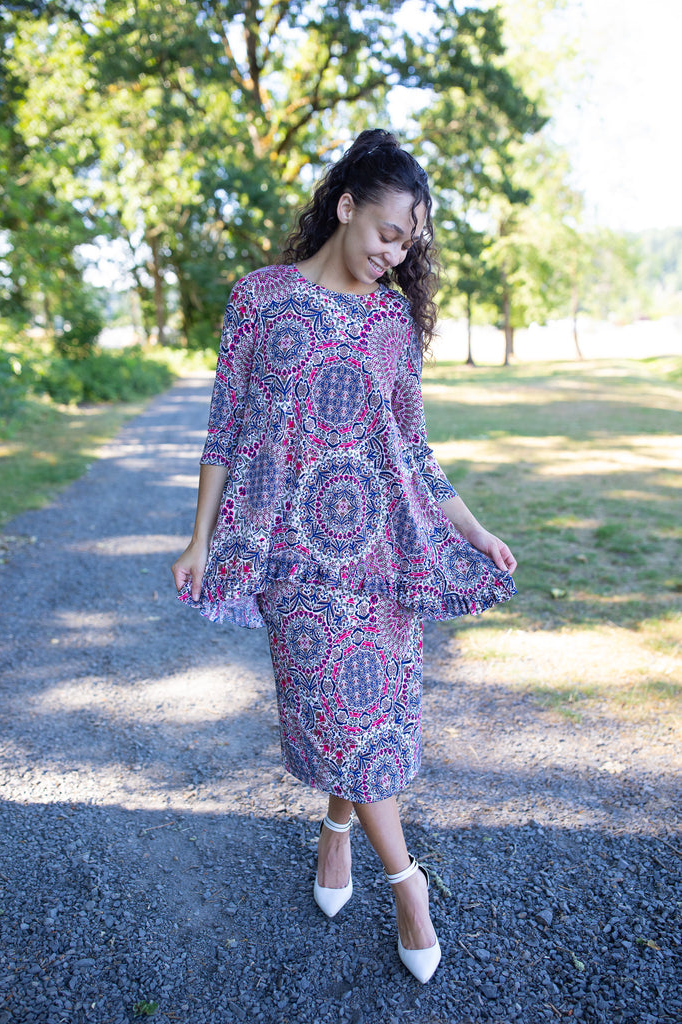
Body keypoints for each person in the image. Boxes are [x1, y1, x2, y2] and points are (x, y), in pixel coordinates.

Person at [171, 128, 517, 984]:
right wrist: (200, 538)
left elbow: (415, 450)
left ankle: (338, 835)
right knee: (337, 715)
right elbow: (224, 429)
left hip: (379, 555)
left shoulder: (391, 320)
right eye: (387, 233)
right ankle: (408, 884)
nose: (394, 255)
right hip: (290, 555)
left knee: (363, 717)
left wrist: (471, 531)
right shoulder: (258, 299)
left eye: (408, 244)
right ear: (346, 205)